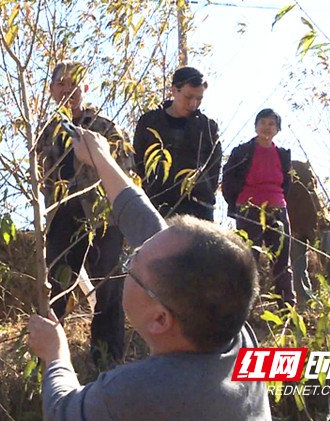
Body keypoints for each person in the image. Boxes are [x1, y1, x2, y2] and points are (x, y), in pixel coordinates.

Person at [28, 128, 271, 420]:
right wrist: (101, 158)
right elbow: (146, 224)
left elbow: (61, 412)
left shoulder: (137, 390)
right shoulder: (235, 335)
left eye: (132, 261)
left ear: (160, 319)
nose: (130, 259)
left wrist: (56, 356)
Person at [37, 60, 133, 366]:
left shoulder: (105, 127)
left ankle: (107, 359)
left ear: (85, 89)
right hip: (63, 215)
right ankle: (49, 359)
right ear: (51, 90)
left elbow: (127, 167)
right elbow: (41, 177)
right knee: (56, 285)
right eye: (61, 84)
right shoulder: (45, 132)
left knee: (109, 286)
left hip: (104, 215)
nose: (68, 90)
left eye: (74, 84)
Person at [222, 108, 295, 307]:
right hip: (249, 208)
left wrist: (279, 202)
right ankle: (243, 308)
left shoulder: (282, 154)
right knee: (248, 259)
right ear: (255, 126)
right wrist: (236, 205)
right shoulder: (242, 151)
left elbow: (286, 183)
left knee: (281, 259)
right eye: (263, 122)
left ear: (277, 129)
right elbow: (228, 179)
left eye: (271, 124)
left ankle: (287, 309)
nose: (266, 127)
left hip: (277, 208)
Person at [133, 66, 221, 221]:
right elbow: (137, 161)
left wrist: (204, 192)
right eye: (188, 97)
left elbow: (214, 168)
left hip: (199, 208)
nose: (193, 104)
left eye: (199, 98)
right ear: (174, 90)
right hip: (156, 205)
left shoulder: (208, 127)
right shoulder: (149, 122)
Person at [287, 160, 330, 300]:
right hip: (301, 224)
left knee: (302, 266)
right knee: (304, 266)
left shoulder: (292, 172)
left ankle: (307, 301)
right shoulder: (295, 174)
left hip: (309, 223)